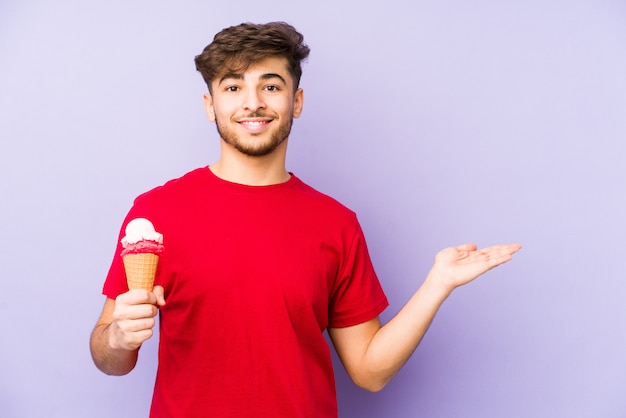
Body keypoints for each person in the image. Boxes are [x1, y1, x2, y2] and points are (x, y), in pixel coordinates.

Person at [90, 21, 521, 418]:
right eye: (233, 87)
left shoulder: (336, 223)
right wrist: (118, 339)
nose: (253, 103)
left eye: (271, 85)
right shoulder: (156, 213)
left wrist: (437, 285)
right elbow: (109, 359)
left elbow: (369, 371)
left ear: (296, 101)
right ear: (210, 104)